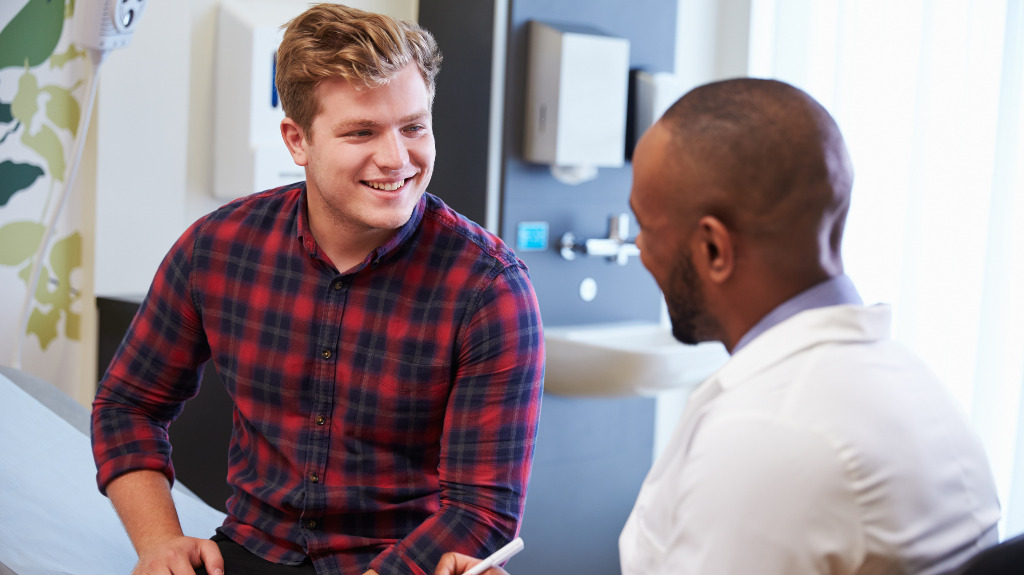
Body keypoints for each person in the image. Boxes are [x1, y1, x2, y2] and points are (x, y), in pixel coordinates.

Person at [436, 78, 1001, 575]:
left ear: (713, 248)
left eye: (646, 226)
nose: (638, 247)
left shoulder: (770, 433)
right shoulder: (911, 382)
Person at [91, 4, 544, 575]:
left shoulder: (489, 290)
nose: (397, 159)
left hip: (403, 563)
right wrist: (158, 542)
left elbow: (482, 510)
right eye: (361, 131)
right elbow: (127, 405)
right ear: (296, 140)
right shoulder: (218, 248)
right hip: (250, 551)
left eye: (414, 126)